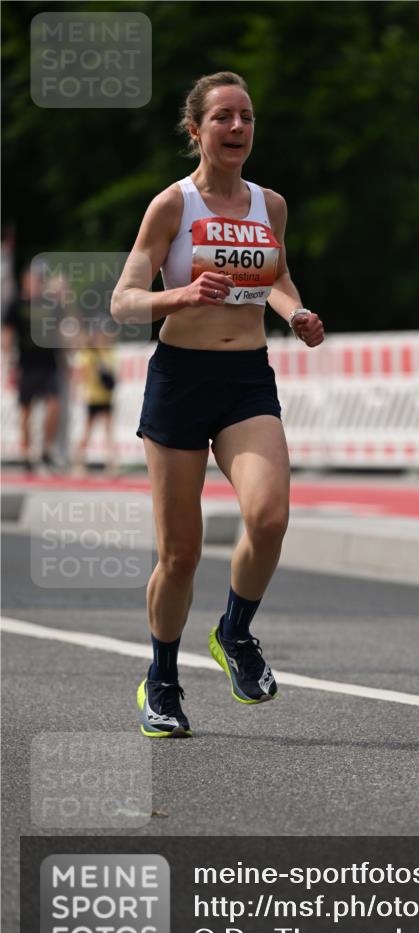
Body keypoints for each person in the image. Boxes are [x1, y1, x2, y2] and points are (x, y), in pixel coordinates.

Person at [111, 70, 325, 738]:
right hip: (180, 380)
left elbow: (277, 275)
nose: (237, 128)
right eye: (223, 117)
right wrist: (179, 295)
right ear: (195, 129)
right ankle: (161, 679)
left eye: (246, 117)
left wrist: (294, 312)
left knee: (269, 516)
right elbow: (123, 301)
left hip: (246, 381)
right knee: (180, 554)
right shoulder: (171, 205)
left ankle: (234, 633)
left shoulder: (270, 205)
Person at [3, 265, 63, 472]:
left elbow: (62, 329)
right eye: (32, 279)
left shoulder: (51, 303)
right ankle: (26, 453)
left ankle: (46, 450)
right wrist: (9, 362)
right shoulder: (16, 304)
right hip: (26, 364)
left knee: (54, 406)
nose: (35, 283)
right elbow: (8, 333)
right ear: (25, 280)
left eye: (39, 279)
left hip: (49, 362)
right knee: (25, 410)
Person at [73, 327, 117, 474]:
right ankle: (79, 462)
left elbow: (112, 375)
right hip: (92, 396)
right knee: (88, 430)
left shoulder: (107, 352)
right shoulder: (89, 354)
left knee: (107, 430)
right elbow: (81, 374)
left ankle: (110, 463)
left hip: (105, 396)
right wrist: (79, 390)